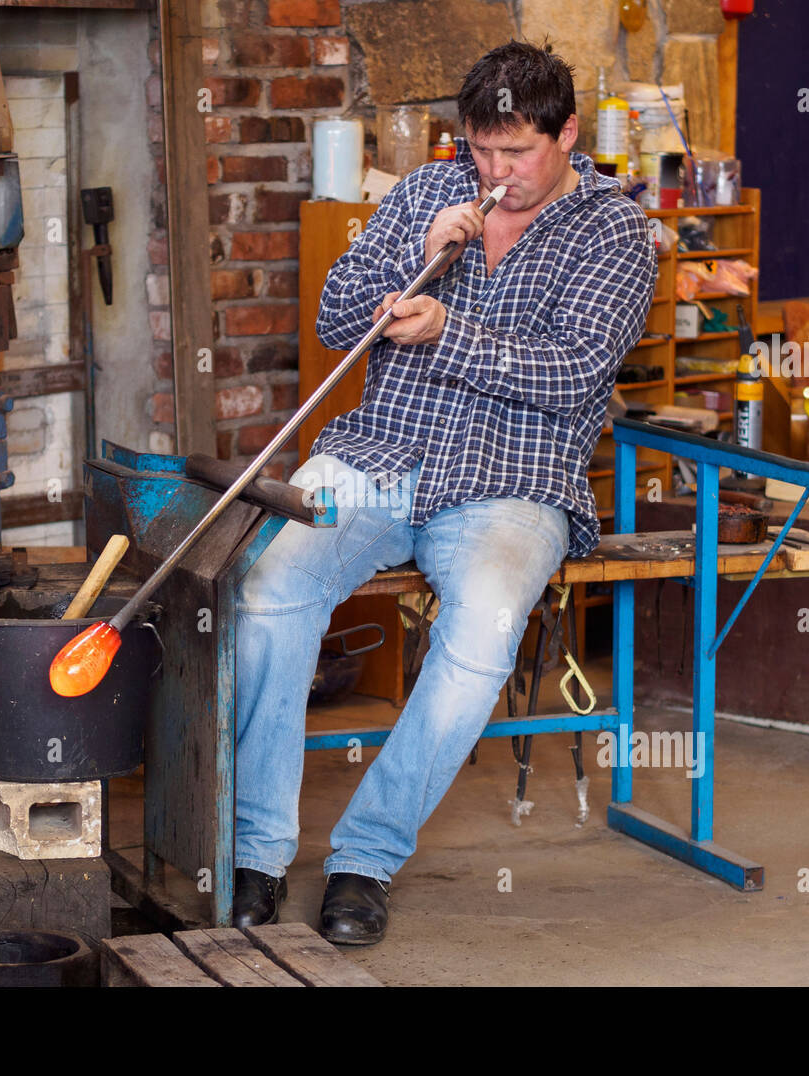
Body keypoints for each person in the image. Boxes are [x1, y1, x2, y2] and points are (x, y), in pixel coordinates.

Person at [232, 40, 658, 945]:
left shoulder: (617, 232)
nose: (495, 173)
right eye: (481, 150)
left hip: (513, 483)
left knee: (482, 632)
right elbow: (334, 316)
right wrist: (412, 263)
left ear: (567, 133)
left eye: (518, 153)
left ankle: (365, 857)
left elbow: (575, 374)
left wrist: (445, 333)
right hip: (378, 456)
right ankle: (252, 849)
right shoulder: (428, 193)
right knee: (266, 592)